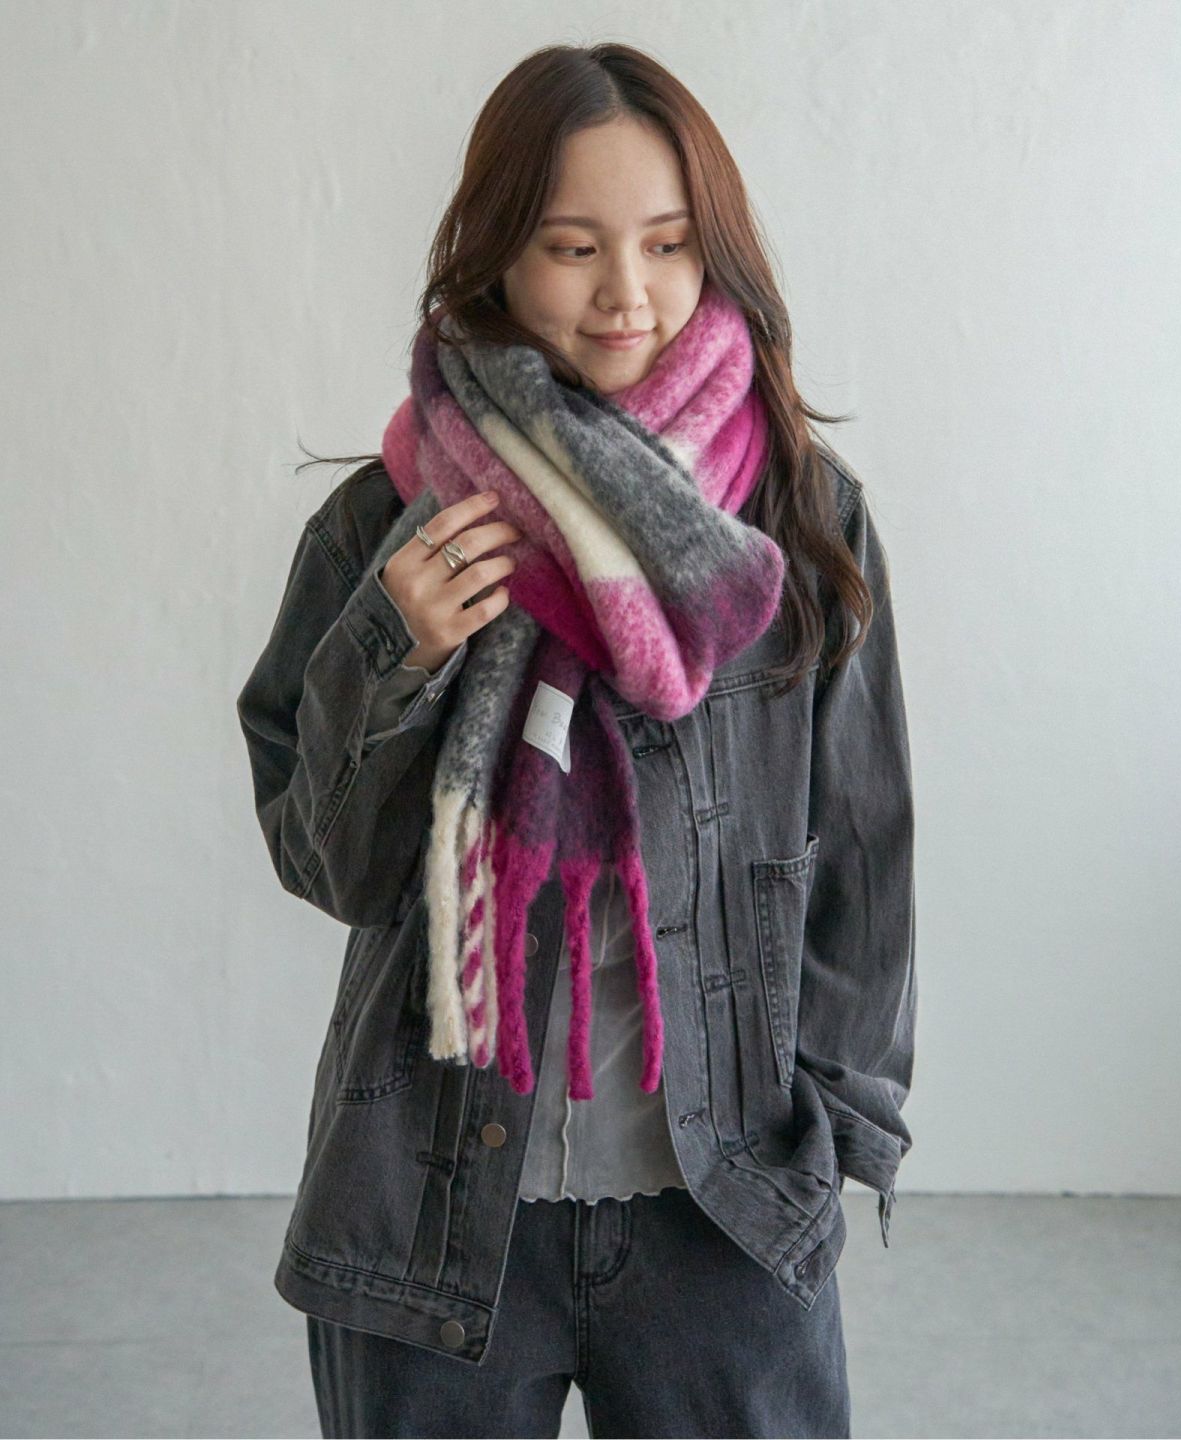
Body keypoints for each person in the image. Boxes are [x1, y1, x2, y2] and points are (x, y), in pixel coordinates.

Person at [236, 41, 916, 1440]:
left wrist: (838, 1129)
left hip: (722, 1202)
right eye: (571, 246)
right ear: (496, 254)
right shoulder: (390, 529)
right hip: (432, 1213)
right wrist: (396, 649)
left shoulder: (796, 523)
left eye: (667, 244)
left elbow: (861, 845)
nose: (627, 294)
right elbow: (327, 862)